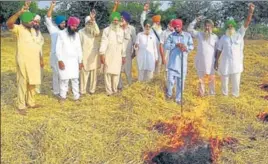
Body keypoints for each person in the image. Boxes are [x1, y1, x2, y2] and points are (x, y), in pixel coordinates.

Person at [6, 2, 43, 114]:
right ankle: (21, 106)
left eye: (33, 20)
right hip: (23, 61)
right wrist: (20, 12)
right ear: (24, 21)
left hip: (34, 61)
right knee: (23, 82)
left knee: (33, 81)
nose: (33, 22)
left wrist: (41, 58)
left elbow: (38, 46)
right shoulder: (19, 29)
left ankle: (31, 102)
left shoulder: (33, 30)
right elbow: (9, 23)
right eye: (30, 20)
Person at [214, 3, 255, 97]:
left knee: (236, 81)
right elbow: (219, 50)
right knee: (224, 81)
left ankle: (235, 96)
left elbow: (247, 22)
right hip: (225, 64)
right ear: (226, 27)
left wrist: (250, 12)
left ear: (234, 27)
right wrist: (216, 61)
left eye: (231, 26)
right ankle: (224, 96)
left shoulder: (239, 34)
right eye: (228, 26)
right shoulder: (223, 38)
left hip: (236, 64)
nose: (230, 27)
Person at [164, 19, 194, 104]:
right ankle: (169, 95)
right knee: (170, 81)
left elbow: (192, 46)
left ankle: (178, 99)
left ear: (181, 26)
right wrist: (175, 45)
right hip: (172, 64)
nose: (176, 29)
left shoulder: (187, 36)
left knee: (180, 84)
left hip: (182, 64)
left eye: (178, 27)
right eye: (175, 27)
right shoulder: (171, 36)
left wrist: (185, 48)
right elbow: (166, 46)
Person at [188, 17, 218, 96]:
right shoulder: (199, 34)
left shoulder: (215, 37)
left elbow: (217, 50)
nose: (207, 28)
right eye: (206, 26)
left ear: (212, 27)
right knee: (201, 79)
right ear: (204, 26)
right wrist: (195, 20)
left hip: (211, 62)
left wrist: (217, 62)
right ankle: (201, 94)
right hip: (200, 62)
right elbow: (189, 29)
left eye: (209, 26)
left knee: (211, 79)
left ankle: (212, 94)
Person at [56, 17, 83, 102]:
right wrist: (60, 60)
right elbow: (58, 48)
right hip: (64, 60)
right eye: (73, 26)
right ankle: (63, 97)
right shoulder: (61, 34)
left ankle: (76, 97)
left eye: (76, 26)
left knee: (75, 79)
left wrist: (80, 61)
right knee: (64, 80)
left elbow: (79, 49)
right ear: (69, 25)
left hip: (74, 61)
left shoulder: (77, 35)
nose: (75, 28)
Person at [99, 12, 126, 96]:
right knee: (107, 73)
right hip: (108, 54)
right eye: (114, 20)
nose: (115, 22)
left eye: (117, 20)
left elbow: (123, 44)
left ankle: (114, 90)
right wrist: (102, 54)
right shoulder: (106, 30)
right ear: (111, 20)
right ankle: (109, 91)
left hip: (118, 55)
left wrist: (123, 55)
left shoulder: (121, 31)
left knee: (116, 73)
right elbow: (103, 42)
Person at [112, 0, 136, 90]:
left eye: (123, 18)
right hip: (118, 54)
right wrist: (116, 6)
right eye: (121, 17)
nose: (121, 19)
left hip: (128, 55)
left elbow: (135, 42)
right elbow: (113, 17)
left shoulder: (132, 29)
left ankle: (130, 87)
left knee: (128, 72)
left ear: (127, 19)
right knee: (118, 71)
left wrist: (134, 53)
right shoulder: (118, 27)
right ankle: (120, 87)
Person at [45, 1, 67, 96]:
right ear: (58, 23)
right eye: (62, 23)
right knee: (56, 74)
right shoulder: (53, 29)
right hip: (54, 55)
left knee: (64, 73)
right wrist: (52, 6)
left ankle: (64, 90)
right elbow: (48, 17)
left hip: (64, 55)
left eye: (64, 23)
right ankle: (56, 91)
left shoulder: (66, 31)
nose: (64, 24)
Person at [79, 11, 100, 95]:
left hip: (93, 56)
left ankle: (92, 90)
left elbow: (98, 32)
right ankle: (82, 91)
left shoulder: (94, 31)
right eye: (88, 22)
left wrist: (94, 21)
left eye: (91, 22)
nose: (90, 23)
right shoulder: (81, 32)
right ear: (85, 23)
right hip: (84, 55)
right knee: (84, 74)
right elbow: (79, 45)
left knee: (93, 75)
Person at [140, 3, 163, 75]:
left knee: (158, 64)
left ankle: (156, 77)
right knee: (151, 65)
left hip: (160, 50)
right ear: (154, 22)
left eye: (159, 21)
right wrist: (144, 11)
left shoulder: (161, 29)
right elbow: (142, 21)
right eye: (157, 21)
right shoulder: (150, 29)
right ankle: (150, 78)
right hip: (151, 50)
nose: (158, 22)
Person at [32, 14, 45, 94]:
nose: (36, 23)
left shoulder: (39, 32)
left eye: (38, 22)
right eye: (35, 22)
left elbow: (40, 44)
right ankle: (31, 89)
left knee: (39, 72)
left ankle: (37, 88)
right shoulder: (29, 31)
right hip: (31, 55)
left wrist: (41, 58)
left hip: (39, 54)